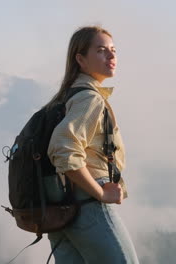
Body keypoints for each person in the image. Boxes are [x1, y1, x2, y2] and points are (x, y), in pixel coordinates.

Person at [46, 26, 140, 263]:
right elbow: (63, 147)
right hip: (87, 204)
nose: (111, 56)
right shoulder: (89, 98)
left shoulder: (65, 97)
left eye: (113, 50)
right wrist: (100, 192)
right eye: (101, 50)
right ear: (80, 59)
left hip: (58, 206)